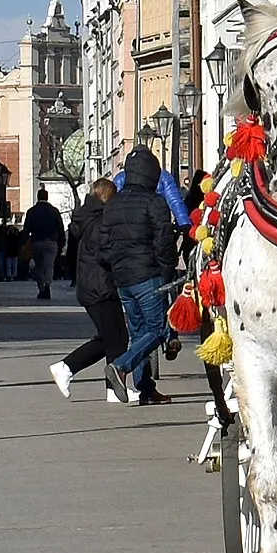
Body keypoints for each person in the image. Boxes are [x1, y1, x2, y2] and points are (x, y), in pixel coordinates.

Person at [92, 145, 178, 404]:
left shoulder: (113, 204)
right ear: (152, 175)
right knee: (158, 330)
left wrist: (117, 264)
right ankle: (121, 366)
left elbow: (102, 247)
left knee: (140, 332)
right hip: (149, 276)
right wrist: (166, 271)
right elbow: (164, 243)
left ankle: (146, 389)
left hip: (123, 279)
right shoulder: (155, 202)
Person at [49, 179, 130, 398]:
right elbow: (105, 253)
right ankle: (67, 367)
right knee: (114, 338)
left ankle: (112, 389)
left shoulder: (85, 217)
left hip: (91, 284)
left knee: (113, 336)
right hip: (100, 286)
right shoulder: (99, 221)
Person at [22, 189, 66, 300]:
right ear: (47, 197)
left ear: (37, 197)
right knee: (49, 265)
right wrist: (61, 242)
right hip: (51, 241)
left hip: (37, 241)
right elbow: (60, 228)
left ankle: (41, 289)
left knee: (39, 266)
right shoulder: (54, 211)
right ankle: (47, 285)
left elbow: (26, 229)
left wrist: (24, 242)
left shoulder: (31, 211)